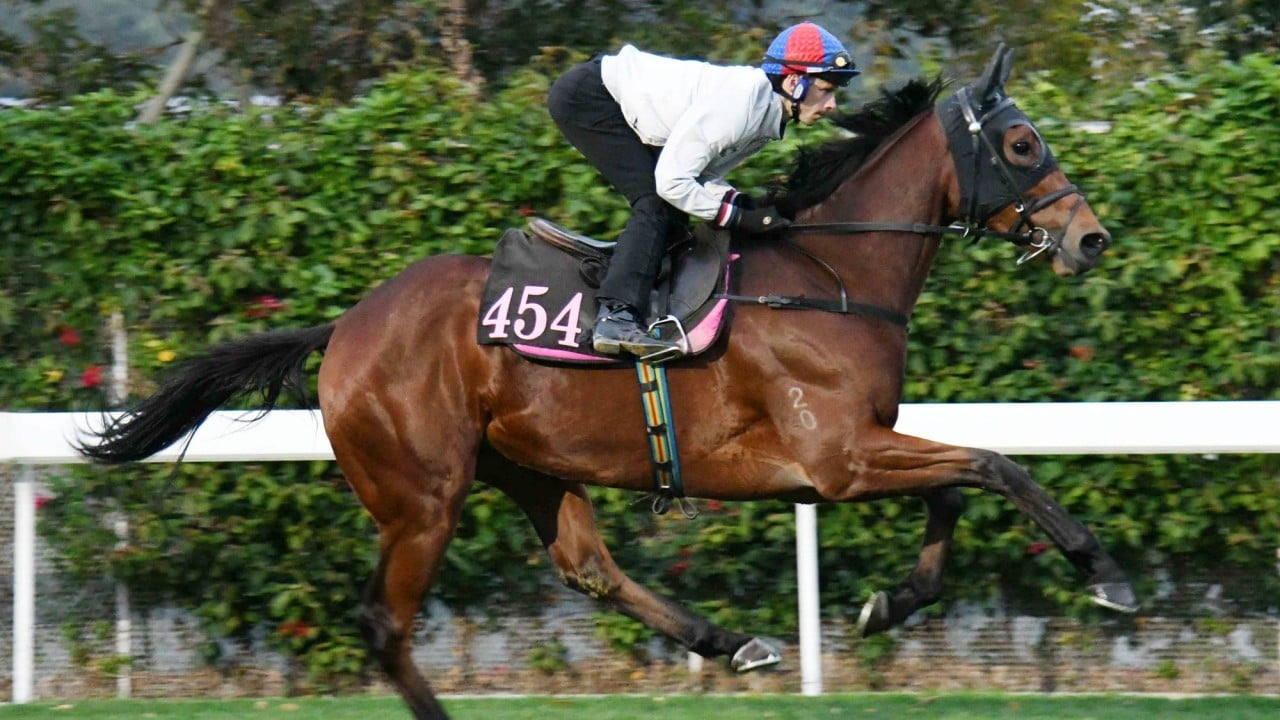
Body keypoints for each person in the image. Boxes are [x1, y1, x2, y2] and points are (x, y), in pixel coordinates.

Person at [546, 21, 859, 357]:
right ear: (795, 82)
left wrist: (744, 205)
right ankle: (615, 318)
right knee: (654, 203)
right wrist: (737, 218)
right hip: (588, 97)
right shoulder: (743, 105)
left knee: (674, 212)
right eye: (826, 89)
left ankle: (647, 306)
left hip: (608, 95)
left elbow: (700, 176)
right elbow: (673, 182)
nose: (832, 106)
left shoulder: (767, 115)